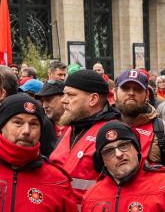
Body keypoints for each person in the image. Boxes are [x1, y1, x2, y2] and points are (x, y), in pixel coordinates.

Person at [50, 68, 120, 201]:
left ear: (93, 99)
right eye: (64, 94)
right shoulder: (73, 125)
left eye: (71, 95)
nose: (63, 100)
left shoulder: (112, 133)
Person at [114, 69, 165, 174]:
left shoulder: (163, 130)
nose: (131, 93)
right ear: (115, 93)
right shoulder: (103, 126)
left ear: (147, 94)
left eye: (137, 89)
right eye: (125, 88)